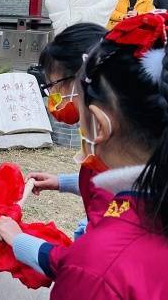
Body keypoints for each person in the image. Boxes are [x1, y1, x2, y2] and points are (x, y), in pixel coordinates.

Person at [0, 11, 168, 299]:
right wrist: (62, 182)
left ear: (99, 123)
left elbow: (82, 268)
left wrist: (19, 240)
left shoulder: (98, 269)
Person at [28, 22, 112, 240]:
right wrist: (60, 182)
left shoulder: (114, 140)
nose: (52, 95)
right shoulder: (98, 127)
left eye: (54, 85)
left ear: (81, 79)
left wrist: (19, 240)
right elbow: (105, 183)